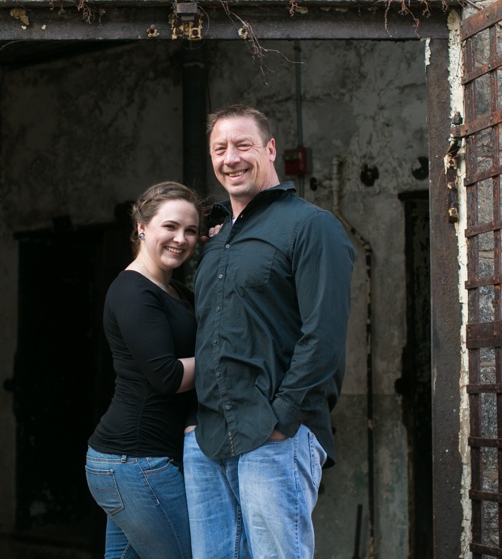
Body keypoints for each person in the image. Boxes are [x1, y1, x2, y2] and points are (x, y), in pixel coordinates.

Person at [184, 105, 355, 559]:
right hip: (208, 437)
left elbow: (324, 336)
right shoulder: (216, 240)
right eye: (220, 148)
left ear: (270, 149)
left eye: (243, 145)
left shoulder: (311, 226)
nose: (231, 158)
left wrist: (282, 418)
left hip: (273, 434)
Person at [85, 181, 203, 559]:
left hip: (134, 463)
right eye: (170, 226)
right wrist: (225, 360)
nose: (180, 239)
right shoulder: (133, 291)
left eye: (191, 231)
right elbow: (167, 377)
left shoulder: (176, 291)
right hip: (134, 462)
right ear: (141, 226)